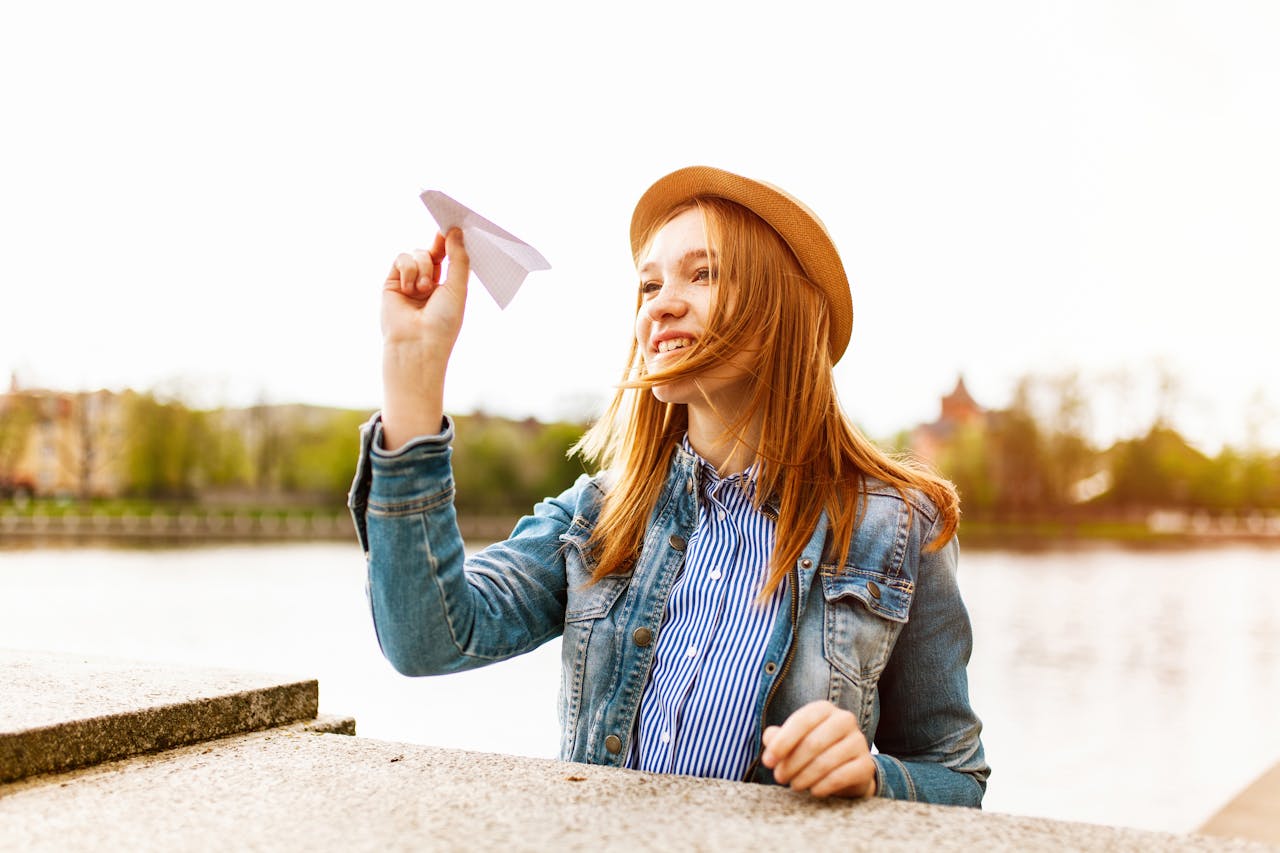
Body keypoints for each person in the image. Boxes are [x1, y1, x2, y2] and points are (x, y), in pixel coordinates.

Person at [348, 166, 989, 806]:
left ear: (784, 306)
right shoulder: (598, 514)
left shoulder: (901, 526)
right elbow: (427, 638)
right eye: (649, 284)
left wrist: (872, 777)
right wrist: (413, 372)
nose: (659, 302)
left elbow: (955, 774)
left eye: (702, 273)